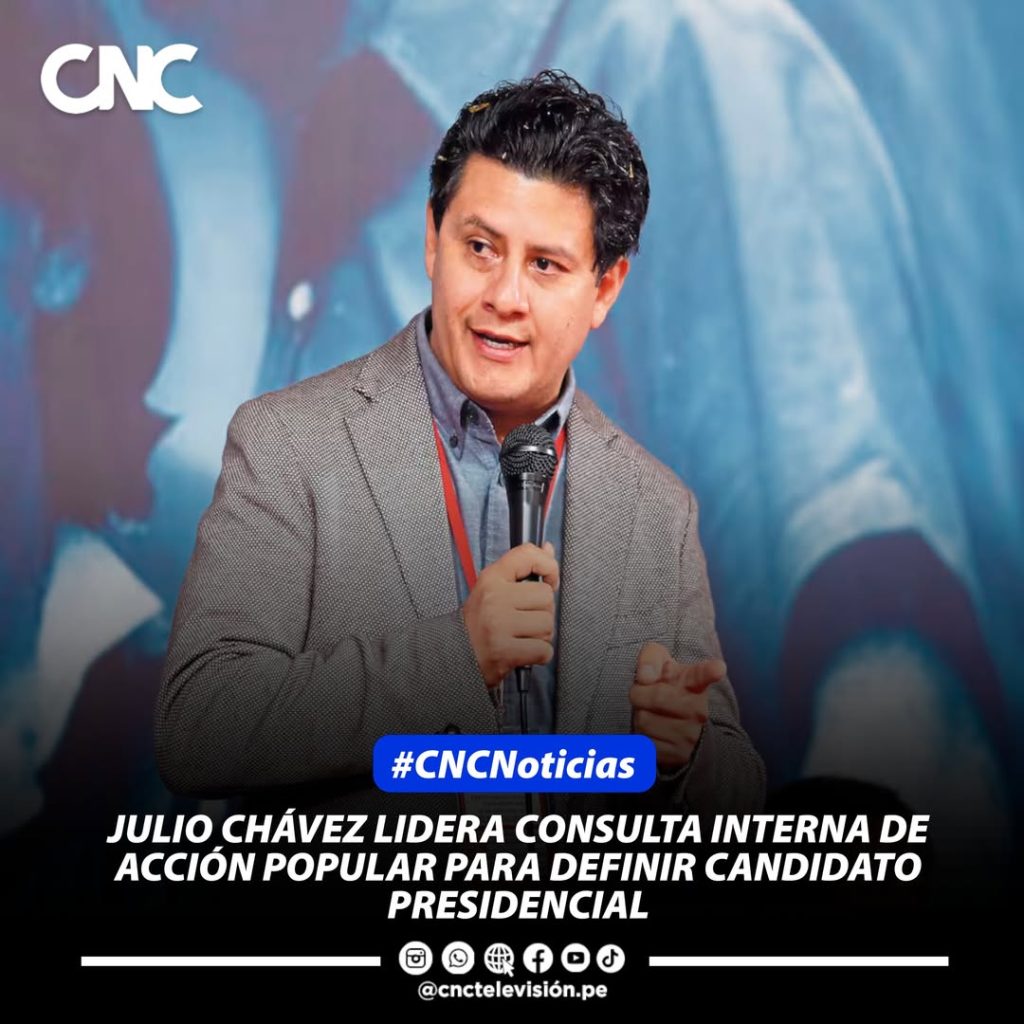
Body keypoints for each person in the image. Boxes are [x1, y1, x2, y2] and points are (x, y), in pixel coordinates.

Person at [156, 70, 765, 817]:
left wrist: (682, 758)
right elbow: (199, 726)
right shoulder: (289, 444)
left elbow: (735, 789)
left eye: (545, 265)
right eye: (480, 247)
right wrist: (457, 656)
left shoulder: (656, 510)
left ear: (605, 289)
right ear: (432, 242)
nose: (504, 296)